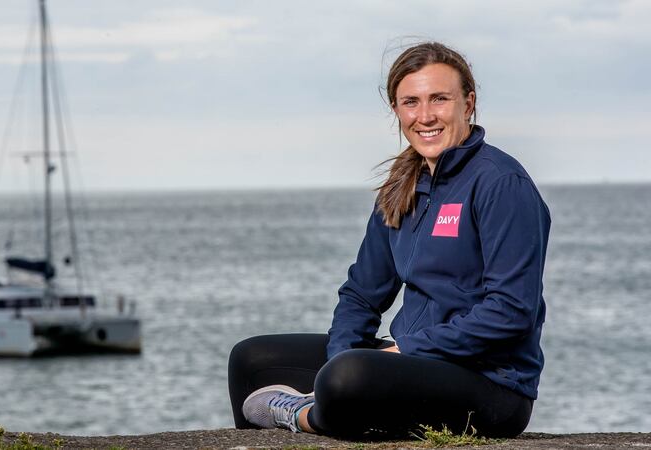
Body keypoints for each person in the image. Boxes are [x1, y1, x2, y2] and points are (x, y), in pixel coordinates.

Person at [227, 41, 551, 439]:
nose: (425, 115)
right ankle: (325, 403)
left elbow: (510, 312)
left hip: (491, 385)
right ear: (396, 110)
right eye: (410, 102)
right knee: (252, 360)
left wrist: (405, 351)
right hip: (417, 363)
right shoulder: (404, 185)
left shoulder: (501, 184)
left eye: (439, 99)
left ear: (468, 103)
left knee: (351, 377)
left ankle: (304, 416)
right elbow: (361, 295)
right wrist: (340, 355)